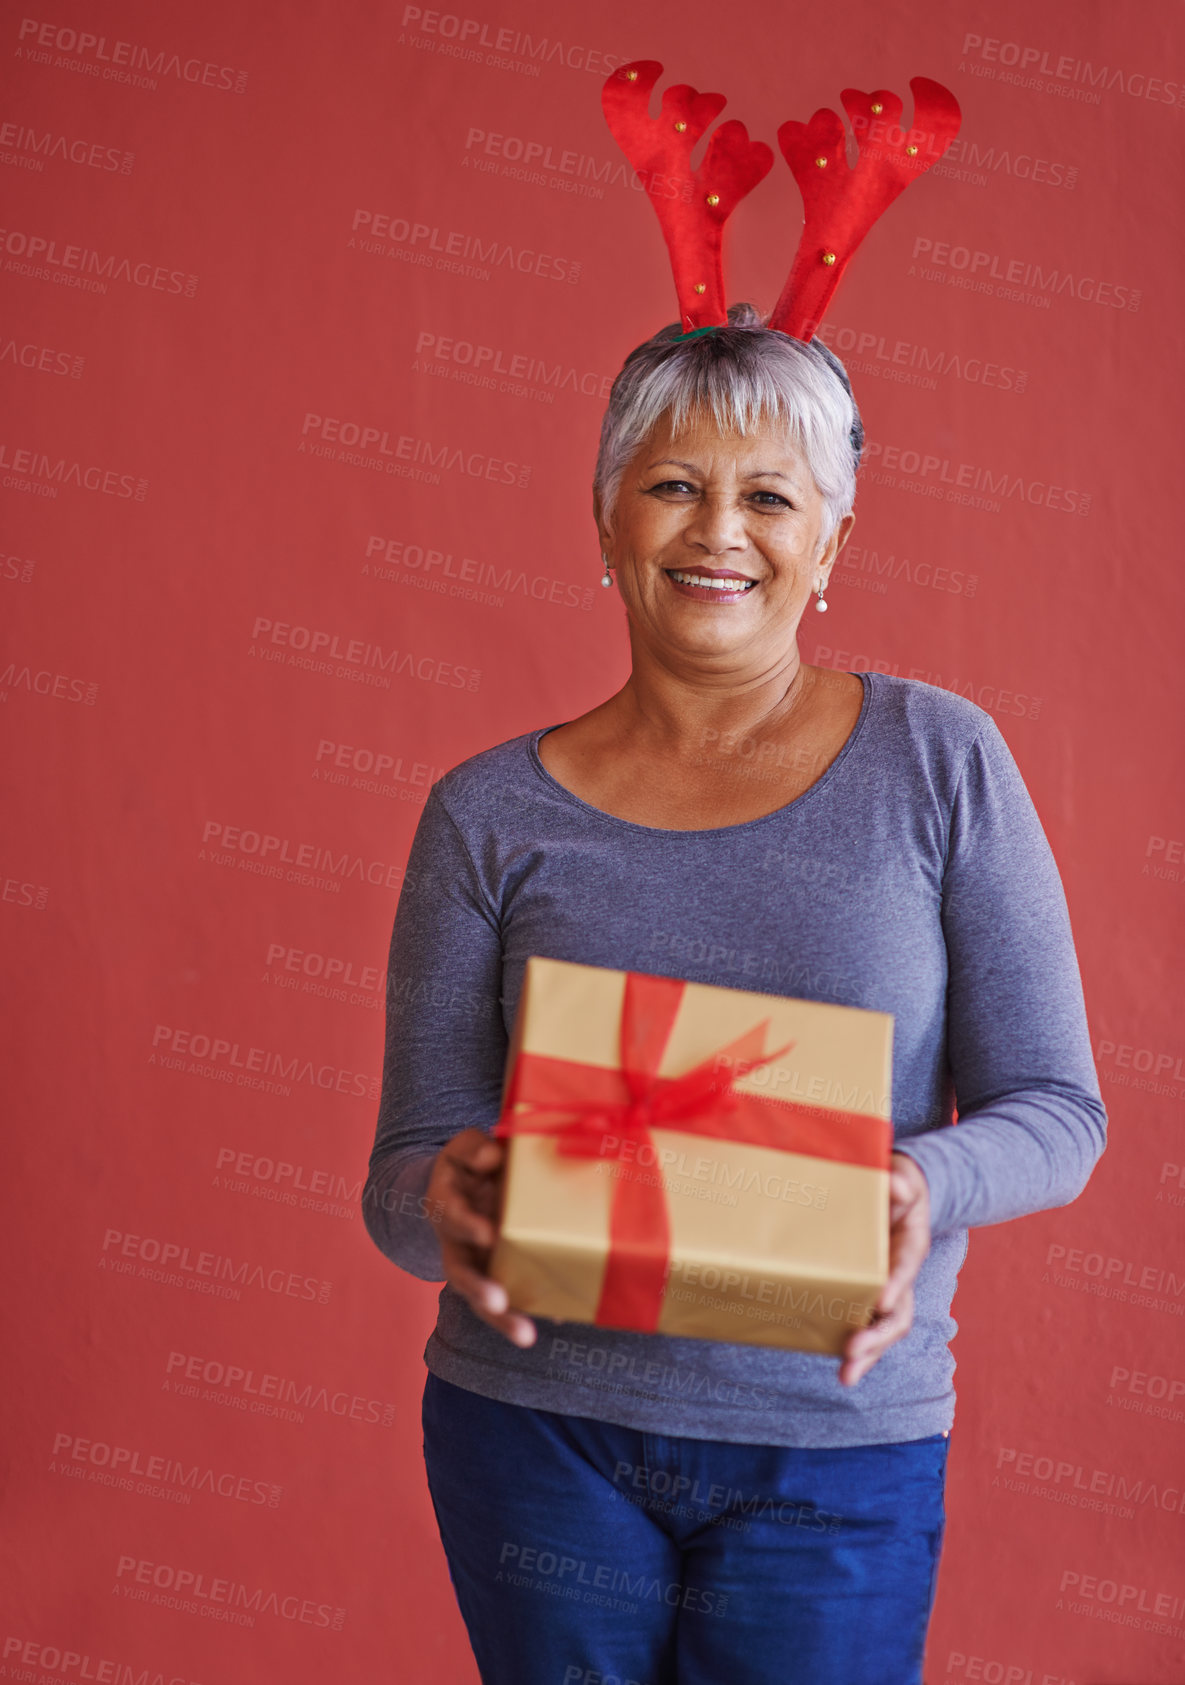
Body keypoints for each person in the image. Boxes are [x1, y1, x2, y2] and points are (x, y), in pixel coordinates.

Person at [362, 308, 1107, 1684]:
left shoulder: (938, 762)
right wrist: (443, 1203)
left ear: (827, 541)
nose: (718, 530)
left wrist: (916, 1184)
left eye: (768, 494)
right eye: (671, 485)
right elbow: (404, 1174)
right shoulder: (485, 813)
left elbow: (1058, 1111)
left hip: (833, 1436)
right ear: (604, 524)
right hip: (535, 1430)